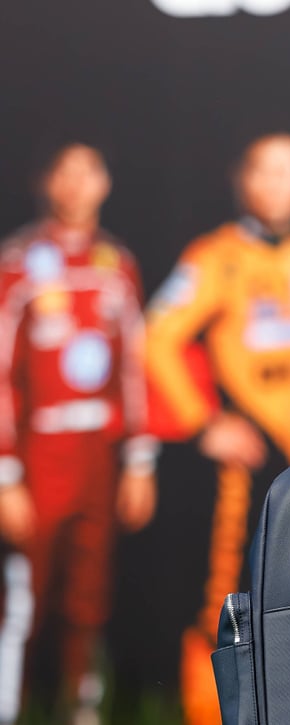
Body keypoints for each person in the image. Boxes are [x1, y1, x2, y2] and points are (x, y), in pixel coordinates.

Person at [145, 133, 290, 725]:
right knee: (228, 592)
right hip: (246, 463)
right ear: (242, 179)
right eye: (267, 171)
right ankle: (208, 712)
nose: (279, 186)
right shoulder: (215, 256)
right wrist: (205, 423)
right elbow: (155, 337)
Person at [0, 144, 157, 725]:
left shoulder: (117, 265)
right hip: (38, 454)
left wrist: (139, 463)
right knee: (23, 596)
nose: (76, 184)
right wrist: (5, 475)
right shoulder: (18, 263)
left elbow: (135, 369)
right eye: (63, 171)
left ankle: (82, 707)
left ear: (105, 182)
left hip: (99, 453)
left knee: (89, 594)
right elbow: (1, 374)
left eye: (88, 171)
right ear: (44, 181)